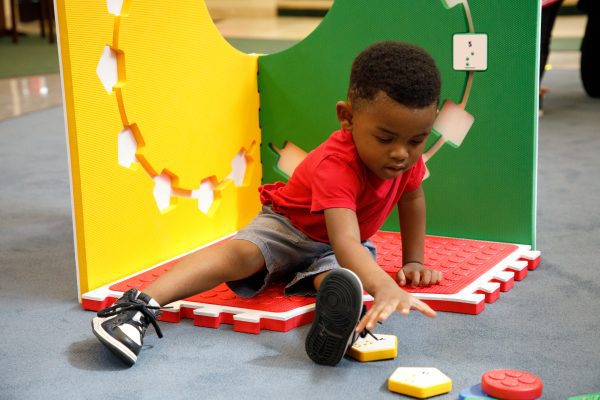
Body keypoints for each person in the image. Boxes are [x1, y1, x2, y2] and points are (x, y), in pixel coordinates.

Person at [92, 41, 444, 367]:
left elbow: (412, 197)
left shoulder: (406, 160)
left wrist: (414, 260)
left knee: (343, 275)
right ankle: (134, 306)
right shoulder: (336, 165)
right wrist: (383, 285)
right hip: (289, 228)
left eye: (416, 140)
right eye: (385, 138)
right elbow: (346, 241)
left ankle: (334, 311)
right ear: (347, 118)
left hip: (335, 245)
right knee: (243, 255)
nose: (401, 154)